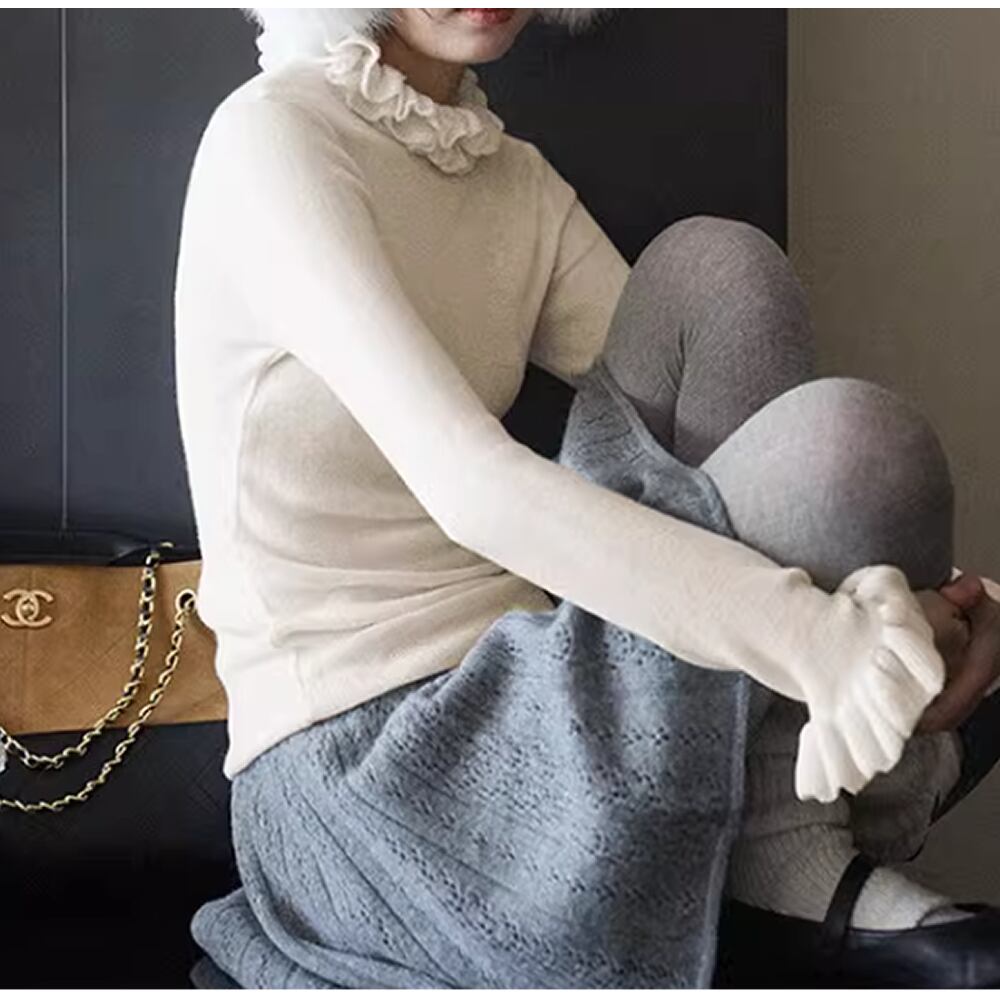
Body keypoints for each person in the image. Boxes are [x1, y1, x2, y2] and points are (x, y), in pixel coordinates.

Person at [173, 8, 1000, 988]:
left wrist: (925, 598)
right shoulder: (271, 139)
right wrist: (825, 640)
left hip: (538, 667)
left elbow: (751, 460)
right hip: (367, 773)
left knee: (719, 272)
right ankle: (802, 831)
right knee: (859, 444)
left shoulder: (509, 180)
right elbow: (472, 487)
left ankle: (783, 831)